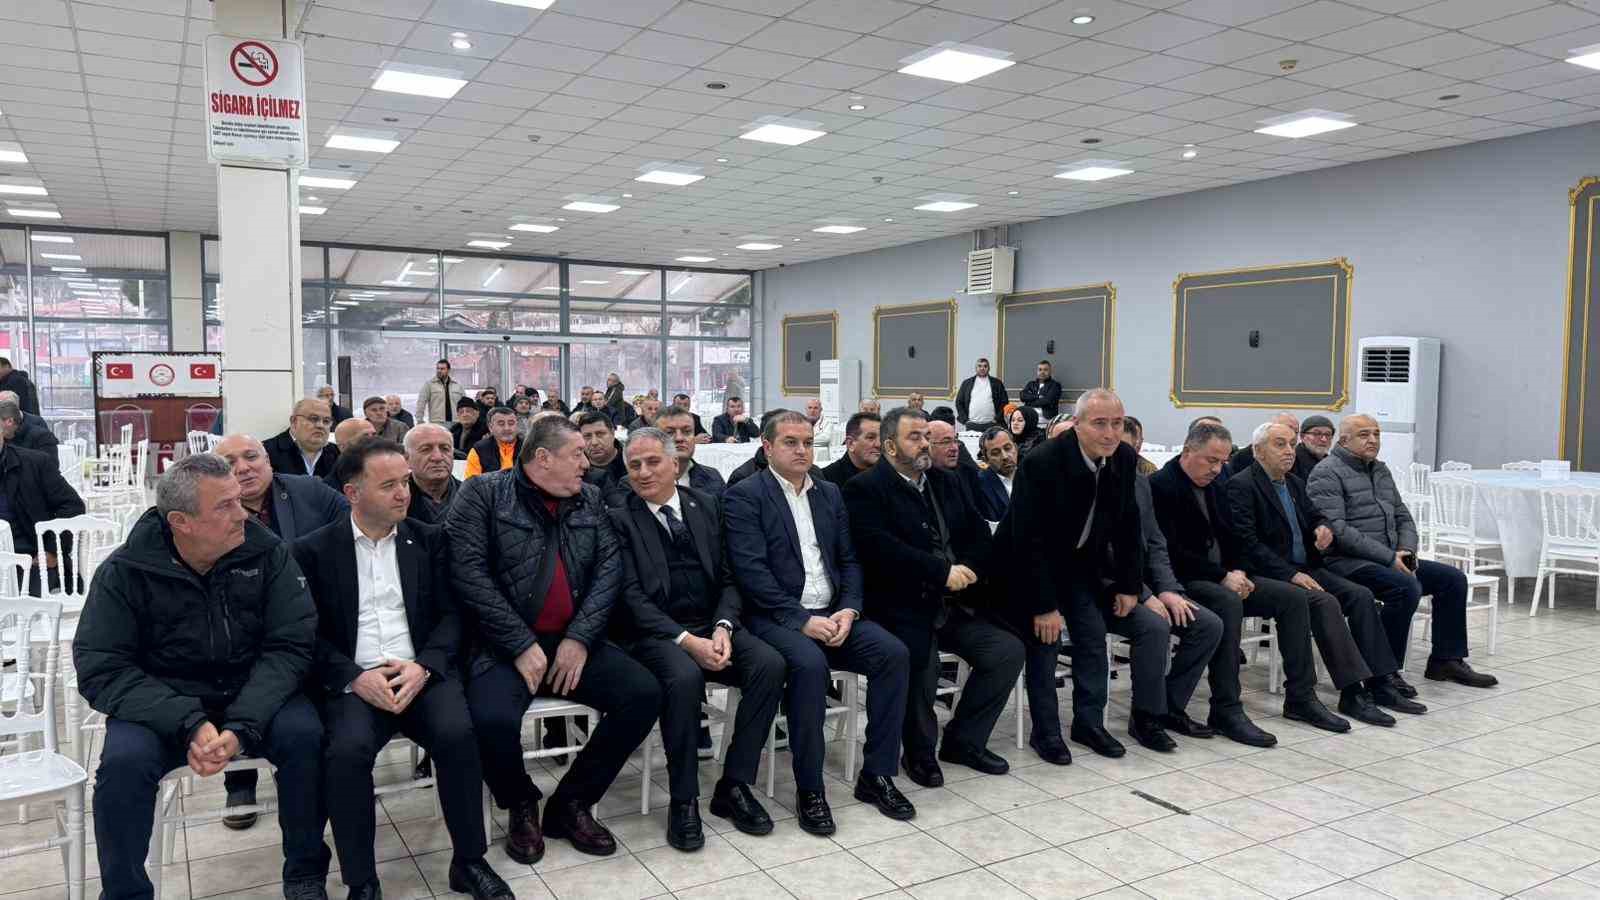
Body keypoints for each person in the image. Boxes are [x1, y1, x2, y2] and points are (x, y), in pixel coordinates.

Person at [75, 454, 329, 900]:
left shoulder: (267, 553)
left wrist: (242, 725)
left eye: (239, 500)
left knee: (306, 736)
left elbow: (291, 645)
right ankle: (125, 893)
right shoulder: (126, 572)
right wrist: (189, 722)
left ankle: (305, 874)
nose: (243, 514)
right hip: (163, 701)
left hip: (253, 691)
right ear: (181, 522)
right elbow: (103, 667)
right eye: (225, 506)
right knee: (122, 767)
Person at [292, 441, 511, 900]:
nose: (402, 493)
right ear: (352, 493)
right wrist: (353, 677)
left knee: (458, 735)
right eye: (388, 485)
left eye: (405, 482)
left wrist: (425, 667)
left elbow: (454, 616)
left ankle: (469, 861)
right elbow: (305, 633)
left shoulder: (430, 540)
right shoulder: (313, 550)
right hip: (357, 679)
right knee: (347, 752)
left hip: (419, 672)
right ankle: (362, 881)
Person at [451, 416, 660, 862]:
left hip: (572, 643)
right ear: (543, 458)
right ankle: (520, 802)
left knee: (643, 694)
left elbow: (609, 569)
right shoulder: (483, 493)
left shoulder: (590, 497)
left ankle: (571, 802)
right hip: (502, 646)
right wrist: (518, 643)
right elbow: (468, 573)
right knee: (490, 720)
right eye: (577, 454)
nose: (587, 463)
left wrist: (580, 638)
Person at [1001, 389, 1220, 761]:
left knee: (1091, 639)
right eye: (1099, 423)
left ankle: (1088, 724)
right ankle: (1046, 732)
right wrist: (1044, 606)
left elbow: (1128, 527)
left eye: (1117, 423)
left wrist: (1129, 586)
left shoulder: (1122, 458)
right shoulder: (1042, 461)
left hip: (1081, 570)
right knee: (1046, 643)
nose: (1110, 433)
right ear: (1077, 424)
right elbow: (1027, 540)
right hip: (1030, 570)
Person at [724, 411, 915, 833]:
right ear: (767, 447)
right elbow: (751, 573)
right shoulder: (745, 495)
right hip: (774, 617)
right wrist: (801, 621)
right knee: (810, 667)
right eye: (790, 442)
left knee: (893, 654)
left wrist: (849, 609)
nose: (802, 450)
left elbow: (849, 560)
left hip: (833, 613)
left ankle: (877, 775)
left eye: (808, 443)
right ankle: (810, 788)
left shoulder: (828, 493)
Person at [609, 428, 785, 850]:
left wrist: (723, 626)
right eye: (634, 465)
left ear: (675, 464)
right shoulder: (618, 518)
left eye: (653, 462)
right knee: (684, 678)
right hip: (655, 633)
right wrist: (687, 641)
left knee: (769, 664)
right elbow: (630, 597)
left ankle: (734, 785)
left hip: (712, 622)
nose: (643, 472)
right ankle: (684, 799)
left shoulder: (706, 504)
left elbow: (730, 576)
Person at [843, 408, 1022, 786]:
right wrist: (941, 572)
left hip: (957, 603)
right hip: (902, 606)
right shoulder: (865, 488)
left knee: (1007, 651)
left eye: (927, 436)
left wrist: (968, 568)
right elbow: (879, 549)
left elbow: (978, 534)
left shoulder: (946, 481)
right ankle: (919, 753)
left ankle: (964, 740)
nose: (925, 444)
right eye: (915, 437)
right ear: (890, 446)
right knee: (922, 665)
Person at [1149, 422, 1353, 743]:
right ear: (1188, 451)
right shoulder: (1160, 486)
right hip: (1185, 580)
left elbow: (1235, 538)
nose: (1217, 469)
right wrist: (1223, 576)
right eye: (1211, 461)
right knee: (1227, 601)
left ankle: (1301, 697)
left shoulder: (1217, 482)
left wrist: (1239, 570)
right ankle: (1226, 707)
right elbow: (1170, 551)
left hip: (1226, 575)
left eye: (1222, 462)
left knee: (1293, 597)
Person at [1227, 422, 1421, 726]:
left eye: (1291, 443)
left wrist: (1322, 527)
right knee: (1325, 601)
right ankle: (1351, 693)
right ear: (1258, 451)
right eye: (1279, 444)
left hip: (1307, 567)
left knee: (1360, 595)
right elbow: (1247, 544)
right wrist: (1290, 574)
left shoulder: (1292, 483)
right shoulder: (1242, 485)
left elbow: (1316, 514)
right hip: (1269, 572)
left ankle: (1381, 681)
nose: (1289, 451)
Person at [1308, 414, 1498, 689]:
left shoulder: (1380, 470)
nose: (1373, 440)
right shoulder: (1327, 472)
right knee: (1405, 587)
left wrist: (1406, 550)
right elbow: (1338, 530)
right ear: (1344, 440)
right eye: (1364, 434)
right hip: (1346, 561)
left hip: (1389, 557)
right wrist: (1388, 557)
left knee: (1452, 579)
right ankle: (1385, 670)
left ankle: (1446, 660)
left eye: (1376, 434)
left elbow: (1402, 516)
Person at [0, 407, 85, 595]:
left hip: (29, 560)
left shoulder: (34, 463)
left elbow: (72, 506)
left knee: (25, 604)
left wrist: (53, 550)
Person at [658, 404, 725, 498]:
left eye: (687, 432)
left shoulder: (713, 478)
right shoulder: (641, 480)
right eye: (669, 433)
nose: (679, 438)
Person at [266, 398, 340, 478]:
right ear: (294, 421)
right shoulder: (267, 452)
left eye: (326, 421)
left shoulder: (338, 454)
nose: (320, 425)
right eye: (313, 419)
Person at [405, 423, 460, 525]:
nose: (437, 457)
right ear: (407, 459)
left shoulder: (473, 496)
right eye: (426, 449)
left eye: (445, 448)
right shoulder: (394, 499)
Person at [1226, 412, 1298, 479]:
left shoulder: (1297, 482)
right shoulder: (1242, 458)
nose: (1290, 452)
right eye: (1280, 444)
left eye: (1296, 432)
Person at [820, 412, 881, 488]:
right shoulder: (826, 479)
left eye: (882, 437)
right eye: (870, 437)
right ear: (850, 444)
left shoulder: (888, 474)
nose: (879, 444)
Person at [464, 407, 521, 479]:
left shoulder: (528, 448)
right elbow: (471, 483)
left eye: (511, 423)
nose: (507, 428)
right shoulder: (479, 450)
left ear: (517, 426)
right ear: (490, 428)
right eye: (501, 424)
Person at [578, 411, 627, 494]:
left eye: (600, 434)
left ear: (612, 433)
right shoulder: (576, 469)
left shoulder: (630, 462)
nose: (594, 442)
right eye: (587, 436)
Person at [955, 357, 1008, 431]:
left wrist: (997, 419)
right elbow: (959, 402)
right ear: (976, 368)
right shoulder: (967, 383)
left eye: (985, 366)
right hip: (972, 423)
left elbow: (1004, 402)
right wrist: (965, 420)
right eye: (979, 366)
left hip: (992, 423)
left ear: (989, 368)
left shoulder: (997, 383)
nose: (982, 368)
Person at [977, 427, 1017, 521]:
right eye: (995, 453)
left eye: (1008, 448)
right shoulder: (980, 486)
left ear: (1016, 447)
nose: (1005, 456)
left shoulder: (1030, 474)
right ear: (986, 459)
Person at [416, 359, 465, 425]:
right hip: (437, 423)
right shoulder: (429, 385)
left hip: (456, 422)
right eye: (438, 368)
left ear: (448, 370)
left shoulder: (458, 385)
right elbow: (421, 403)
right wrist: (419, 420)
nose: (439, 371)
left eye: (442, 369)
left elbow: (465, 404)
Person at [1296, 415, 1335, 480]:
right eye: (1317, 434)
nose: (1324, 439)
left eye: (1328, 434)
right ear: (1302, 436)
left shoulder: (1333, 463)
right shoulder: (1292, 461)